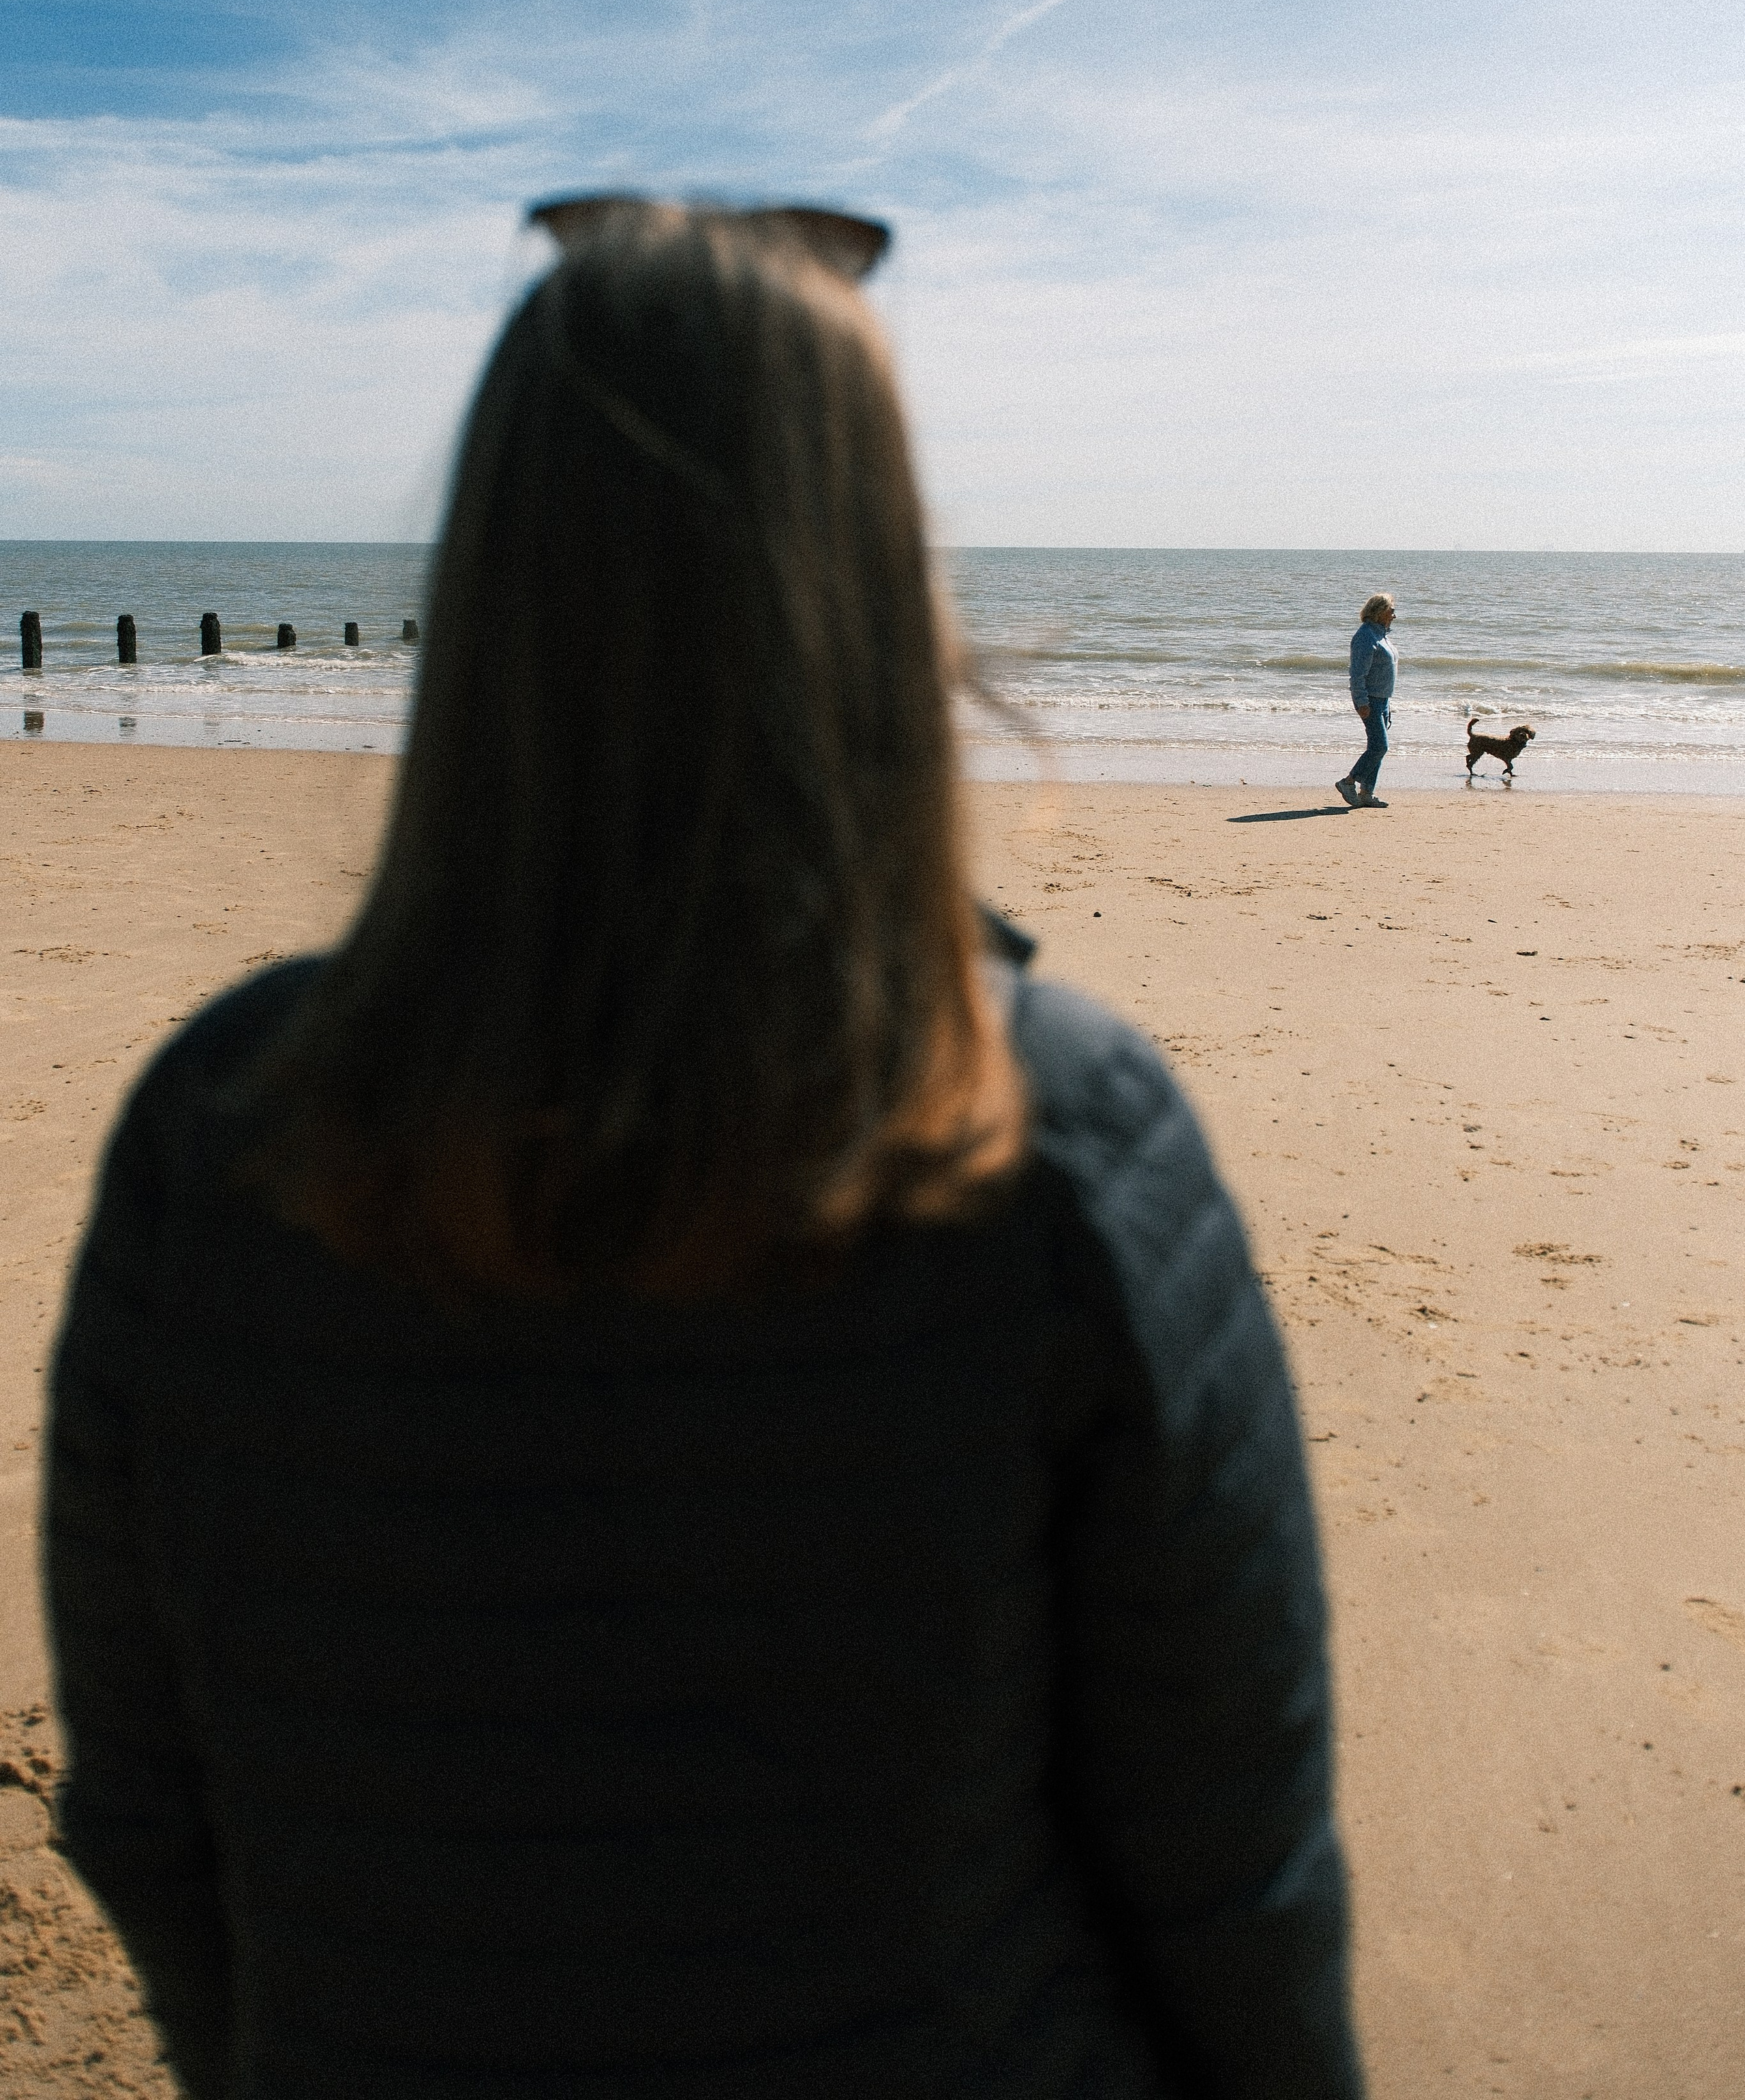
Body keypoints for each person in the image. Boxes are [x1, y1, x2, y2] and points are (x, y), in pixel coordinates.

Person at [46, 198, 1364, 2100]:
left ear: (492, 578)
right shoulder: (1051, 1132)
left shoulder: (227, 1119)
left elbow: (151, 1810)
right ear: (876, 579)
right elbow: (1234, 1873)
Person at [1336, 591, 1397, 809]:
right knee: (1380, 747)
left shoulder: (1381, 635)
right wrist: (1361, 702)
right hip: (1370, 700)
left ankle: (1367, 794)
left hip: (1382, 700)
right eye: (1391, 611)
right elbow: (1357, 675)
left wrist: (1388, 703)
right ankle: (1348, 782)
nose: (1394, 616)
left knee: (1377, 748)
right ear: (1380, 612)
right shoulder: (1365, 637)